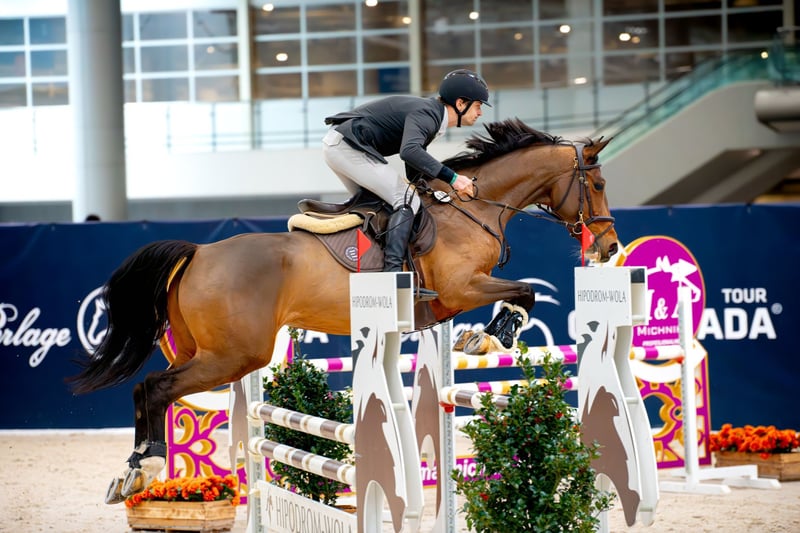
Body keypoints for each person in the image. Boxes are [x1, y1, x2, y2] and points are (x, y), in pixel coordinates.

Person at [322, 69, 491, 300]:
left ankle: (370, 265)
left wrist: (428, 189)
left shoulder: (432, 114)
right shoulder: (428, 114)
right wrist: (453, 178)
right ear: (461, 103)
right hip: (347, 147)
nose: (480, 112)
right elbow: (410, 151)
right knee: (406, 200)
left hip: (342, 145)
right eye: (478, 105)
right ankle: (393, 277)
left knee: (386, 205)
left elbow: (413, 163)